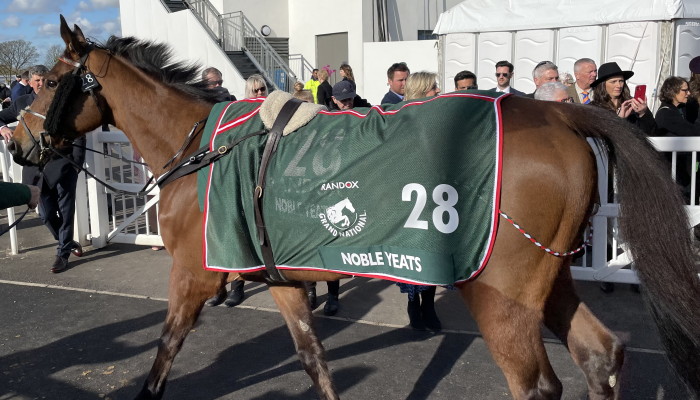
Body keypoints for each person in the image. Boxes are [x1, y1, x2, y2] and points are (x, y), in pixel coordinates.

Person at [0, 65, 86, 273]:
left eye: (43, 80)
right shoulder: (21, 103)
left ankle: (63, 252)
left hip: (63, 164)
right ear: (29, 82)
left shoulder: (61, 102)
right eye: (36, 80)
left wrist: (76, 164)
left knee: (66, 211)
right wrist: (3, 128)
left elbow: (79, 133)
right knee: (46, 214)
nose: (40, 84)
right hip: (34, 168)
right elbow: (2, 117)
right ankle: (66, 241)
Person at [205, 73, 270, 307]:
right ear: (248, 92)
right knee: (230, 233)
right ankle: (228, 286)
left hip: (264, 180)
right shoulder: (239, 113)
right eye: (256, 90)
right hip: (238, 180)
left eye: (263, 89)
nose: (260, 93)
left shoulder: (271, 111)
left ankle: (241, 285)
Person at [396, 70, 443, 332]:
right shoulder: (402, 119)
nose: (437, 91)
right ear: (422, 90)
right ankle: (413, 303)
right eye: (433, 87)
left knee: (433, 251)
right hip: (409, 196)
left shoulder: (438, 118)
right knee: (413, 254)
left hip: (435, 194)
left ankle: (429, 303)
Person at [590, 62, 655, 135]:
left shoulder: (633, 104)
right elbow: (596, 136)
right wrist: (620, 120)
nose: (619, 85)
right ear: (602, 85)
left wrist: (643, 113)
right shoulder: (593, 108)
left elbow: (651, 133)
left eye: (621, 81)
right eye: (613, 82)